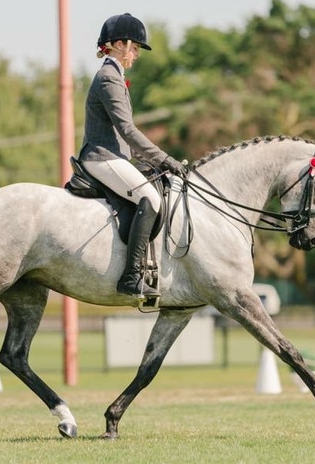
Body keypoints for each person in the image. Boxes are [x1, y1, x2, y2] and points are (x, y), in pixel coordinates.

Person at [78, 13, 186, 299]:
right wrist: (165, 159)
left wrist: (153, 161)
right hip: (102, 157)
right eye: (134, 47)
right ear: (116, 45)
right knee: (149, 199)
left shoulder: (115, 77)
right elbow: (127, 130)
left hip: (114, 157)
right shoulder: (108, 78)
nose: (136, 54)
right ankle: (131, 276)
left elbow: (126, 137)